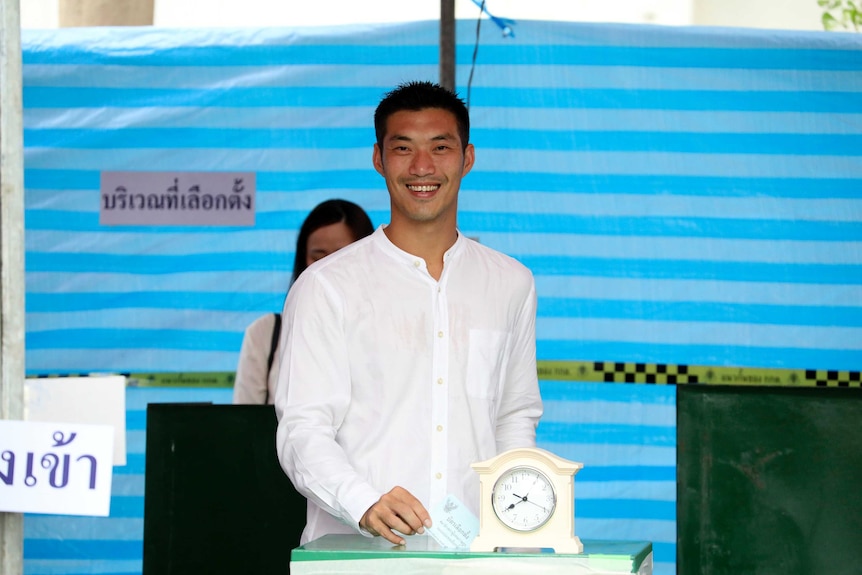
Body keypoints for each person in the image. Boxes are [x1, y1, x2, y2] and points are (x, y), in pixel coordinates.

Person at [275, 81, 543, 546]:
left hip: (474, 556)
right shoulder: (326, 286)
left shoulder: (510, 282)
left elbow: (513, 416)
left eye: (441, 147)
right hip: (356, 556)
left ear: (468, 157)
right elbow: (303, 428)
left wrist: (515, 529)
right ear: (378, 158)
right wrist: (362, 501)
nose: (423, 167)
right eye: (403, 148)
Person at [232, 199, 374, 405]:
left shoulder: (392, 328)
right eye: (318, 258)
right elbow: (243, 427)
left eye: (341, 257)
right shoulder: (264, 333)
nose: (328, 269)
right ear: (302, 260)